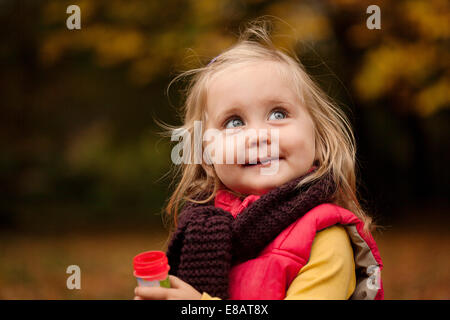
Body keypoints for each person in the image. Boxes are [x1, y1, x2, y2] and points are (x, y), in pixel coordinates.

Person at [134, 19, 384, 300]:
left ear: (319, 139)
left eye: (278, 114)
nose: (257, 135)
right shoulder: (202, 232)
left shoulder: (325, 240)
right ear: (207, 155)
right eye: (234, 122)